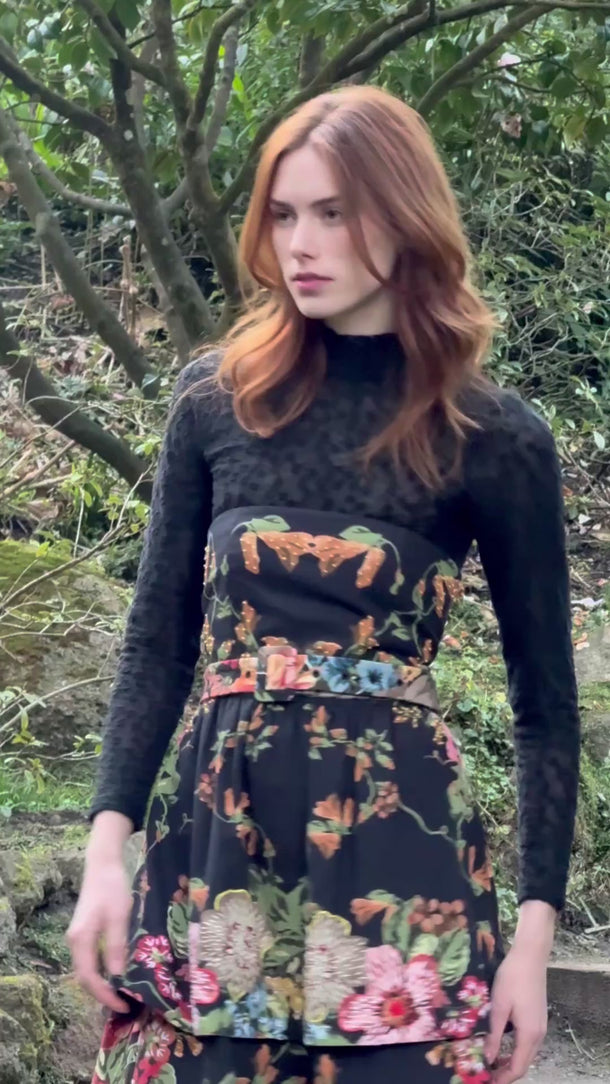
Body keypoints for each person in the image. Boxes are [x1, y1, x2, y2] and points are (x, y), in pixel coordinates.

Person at [67, 85, 580, 1084]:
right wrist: (104, 854)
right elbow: (157, 643)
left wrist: (531, 943)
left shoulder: (492, 435)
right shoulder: (216, 400)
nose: (300, 244)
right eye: (284, 214)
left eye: (334, 213)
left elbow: (545, 709)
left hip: (405, 866)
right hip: (216, 852)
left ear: (406, 216)